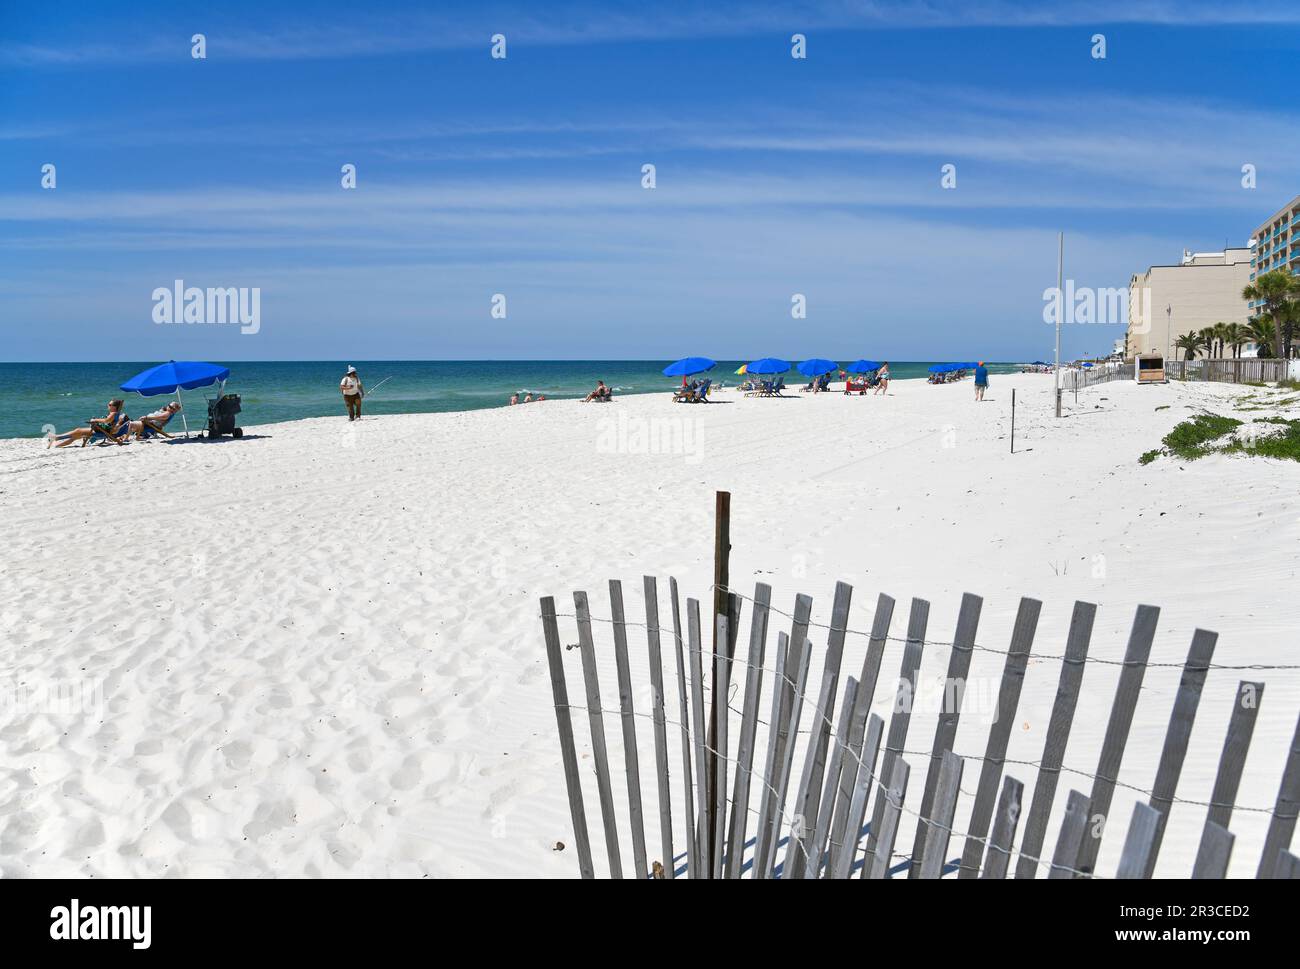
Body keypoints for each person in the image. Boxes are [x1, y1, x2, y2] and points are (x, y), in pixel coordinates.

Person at [48, 399, 129, 448]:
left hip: (102, 432)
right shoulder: (115, 413)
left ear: (114, 407)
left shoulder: (113, 413)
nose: (108, 405)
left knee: (78, 431)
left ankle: (56, 438)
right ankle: (57, 443)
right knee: (77, 434)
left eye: (110, 404)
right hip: (103, 431)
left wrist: (95, 420)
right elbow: (108, 422)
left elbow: (106, 421)